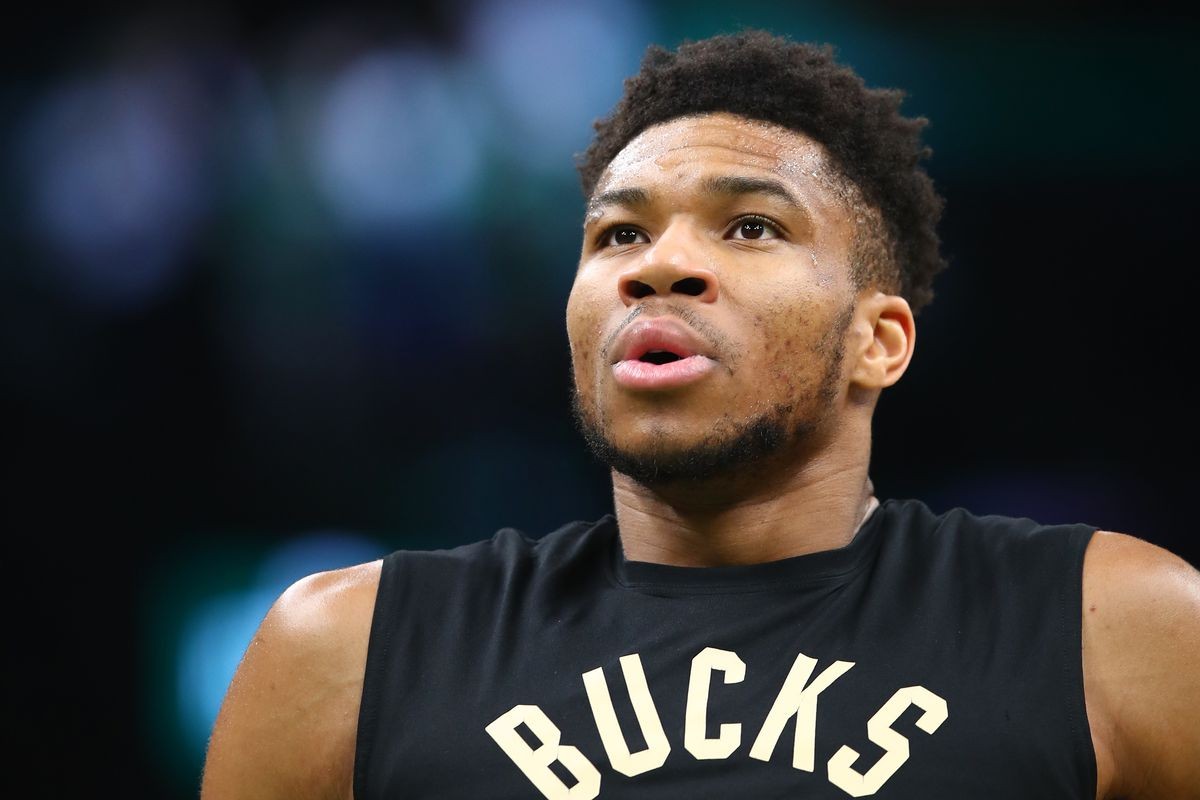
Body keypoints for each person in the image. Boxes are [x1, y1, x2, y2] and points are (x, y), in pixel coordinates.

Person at [199, 30, 1199, 800]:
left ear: (879, 340)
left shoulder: (1114, 630)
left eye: (751, 225)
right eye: (617, 233)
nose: (657, 265)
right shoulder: (346, 654)